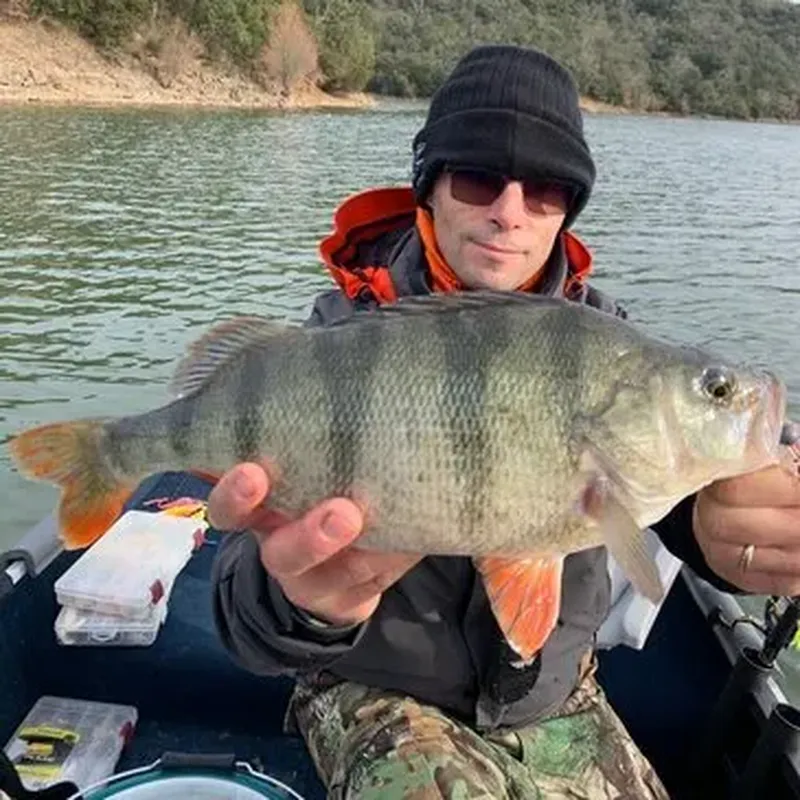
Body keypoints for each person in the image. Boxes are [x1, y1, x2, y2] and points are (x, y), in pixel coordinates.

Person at [209, 45, 800, 799]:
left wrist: (730, 540)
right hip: (374, 696)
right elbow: (237, 608)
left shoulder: (616, 350)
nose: (509, 211)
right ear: (430, 188)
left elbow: (678, 510)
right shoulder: (332, 345)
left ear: (569, 207)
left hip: (562, 699)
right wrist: (299, 604)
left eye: (547, 188)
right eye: (479, 177)